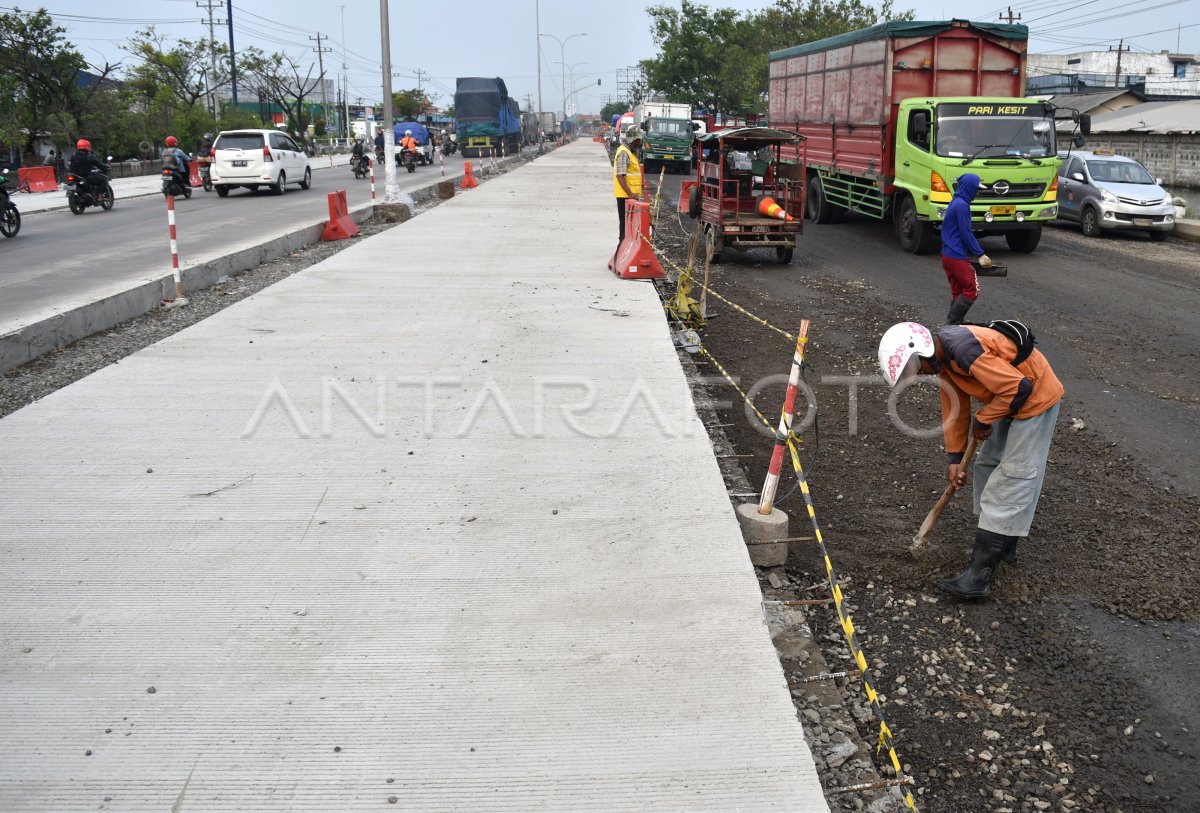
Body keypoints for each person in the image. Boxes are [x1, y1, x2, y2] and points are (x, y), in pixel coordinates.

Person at [877, 320, 1064, 600]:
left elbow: (1019, 388)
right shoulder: (944, 360)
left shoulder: (963, 350)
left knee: (1012, 477)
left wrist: (984, 418)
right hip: (1007, 402)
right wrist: (954, 459)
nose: (921, 375)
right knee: (988, 466)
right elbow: (955, 409)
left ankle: (979, 578)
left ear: (921, 351)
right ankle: (1001, 546)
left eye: (915, 369)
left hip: (1035, 398)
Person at [941, 173, 992, 325]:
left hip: (947, 254)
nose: (977, 192)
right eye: (976, 189)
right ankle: (952, 322)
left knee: (958, 291)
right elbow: (965, 233)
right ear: (969, 188)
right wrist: (980, 254)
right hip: (956, 255)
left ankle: (955, 327)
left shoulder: (956, 201)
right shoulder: (962, 205)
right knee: (972, 289)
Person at [611, 126, 645, 264]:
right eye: (638, 140)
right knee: (625, 227)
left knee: (629, 227)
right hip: (625, 197)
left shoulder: (630, 152)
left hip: (630, 197)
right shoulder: (624, 153)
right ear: (633, 139)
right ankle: (620, 256)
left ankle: (623, 256)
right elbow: (620, 176)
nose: (640, 142)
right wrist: (630, 193)